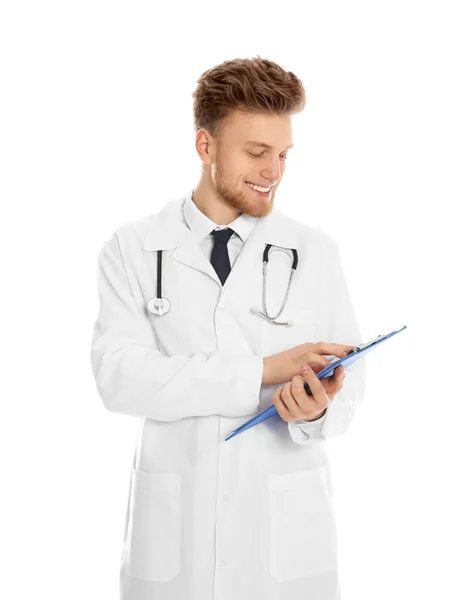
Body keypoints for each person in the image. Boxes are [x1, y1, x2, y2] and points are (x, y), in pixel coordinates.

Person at [90, 55, 366, 600]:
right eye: (257, 152)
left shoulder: (315, 252)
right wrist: (261, 373)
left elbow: (350, 391)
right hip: (174, 540)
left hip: (283, 545)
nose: (273, 172)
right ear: (205, 147)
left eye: (283, 154)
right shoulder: (132, 249)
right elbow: (119, 379)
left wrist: (318, 409)